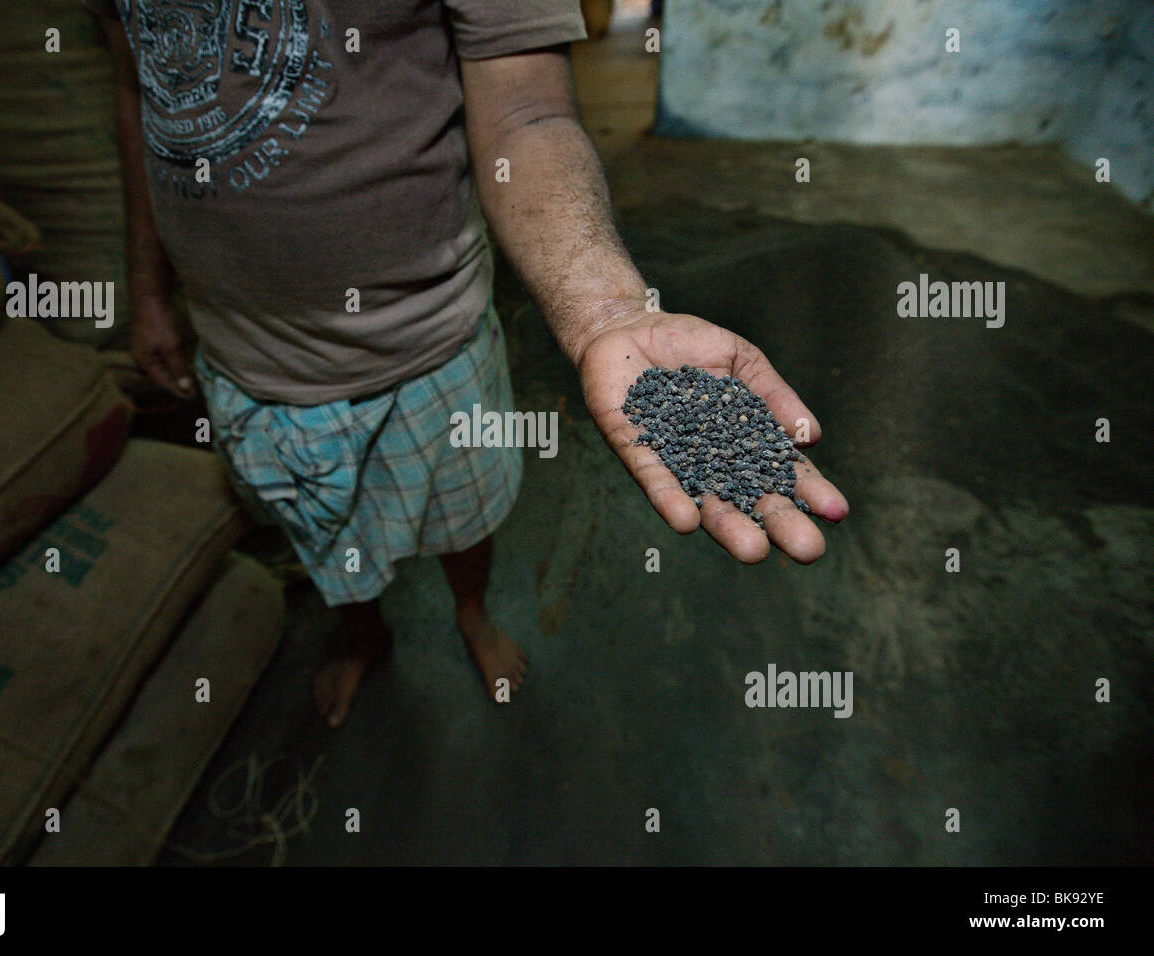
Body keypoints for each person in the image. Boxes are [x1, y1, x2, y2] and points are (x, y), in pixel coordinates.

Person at [88, 0, 849, 728]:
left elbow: (528, 111)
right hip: (246, 356)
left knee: (464, 518)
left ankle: (472, 614)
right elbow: (139, 95)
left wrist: (607, 311)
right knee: (326, 539)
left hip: (430, 343)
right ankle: (364, 639)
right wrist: (149, 288)